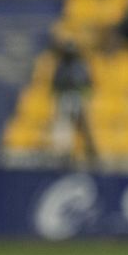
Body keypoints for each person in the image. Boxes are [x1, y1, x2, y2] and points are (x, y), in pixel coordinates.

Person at [50, 39, 98, 168]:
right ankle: (65, 155)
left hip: (77, 97)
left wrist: (85, 96)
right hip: (65, 98)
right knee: (64, 126)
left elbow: (88, 83)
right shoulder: (61, 65)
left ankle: (91, 153)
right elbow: (55, 84)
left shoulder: (80, 65)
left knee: (82, 124)